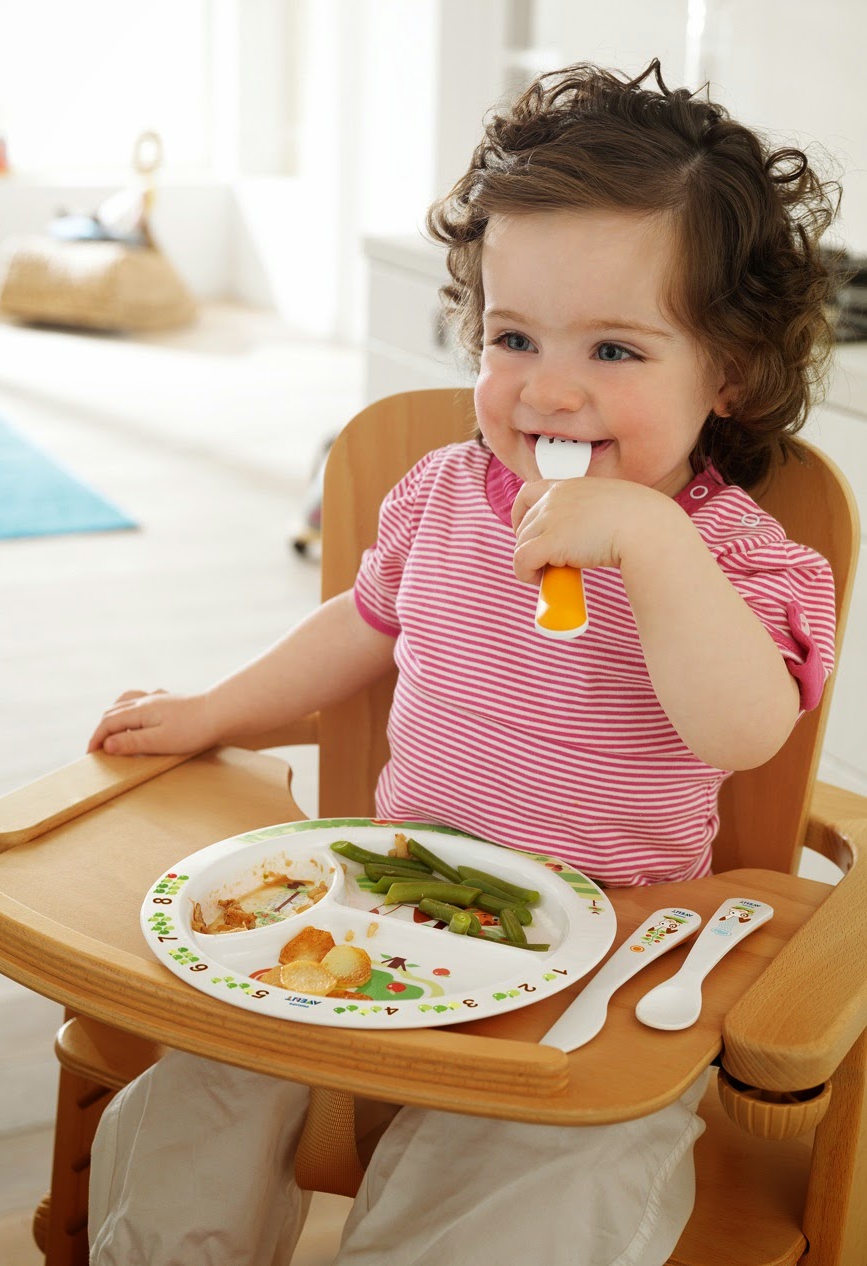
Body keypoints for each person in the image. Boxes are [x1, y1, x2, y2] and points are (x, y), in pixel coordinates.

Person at [85, 60, 838, 1266]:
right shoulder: (443, 493)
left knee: (518, 1208)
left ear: (729, 375)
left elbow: (739, 730)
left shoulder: (742, 560)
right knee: (193, 1109)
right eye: (512, 335)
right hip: (378, 898)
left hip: (604, 949)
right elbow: (360, 624)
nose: (546, 388)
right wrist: (213, 709)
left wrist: (650, 547)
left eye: (615, 352)